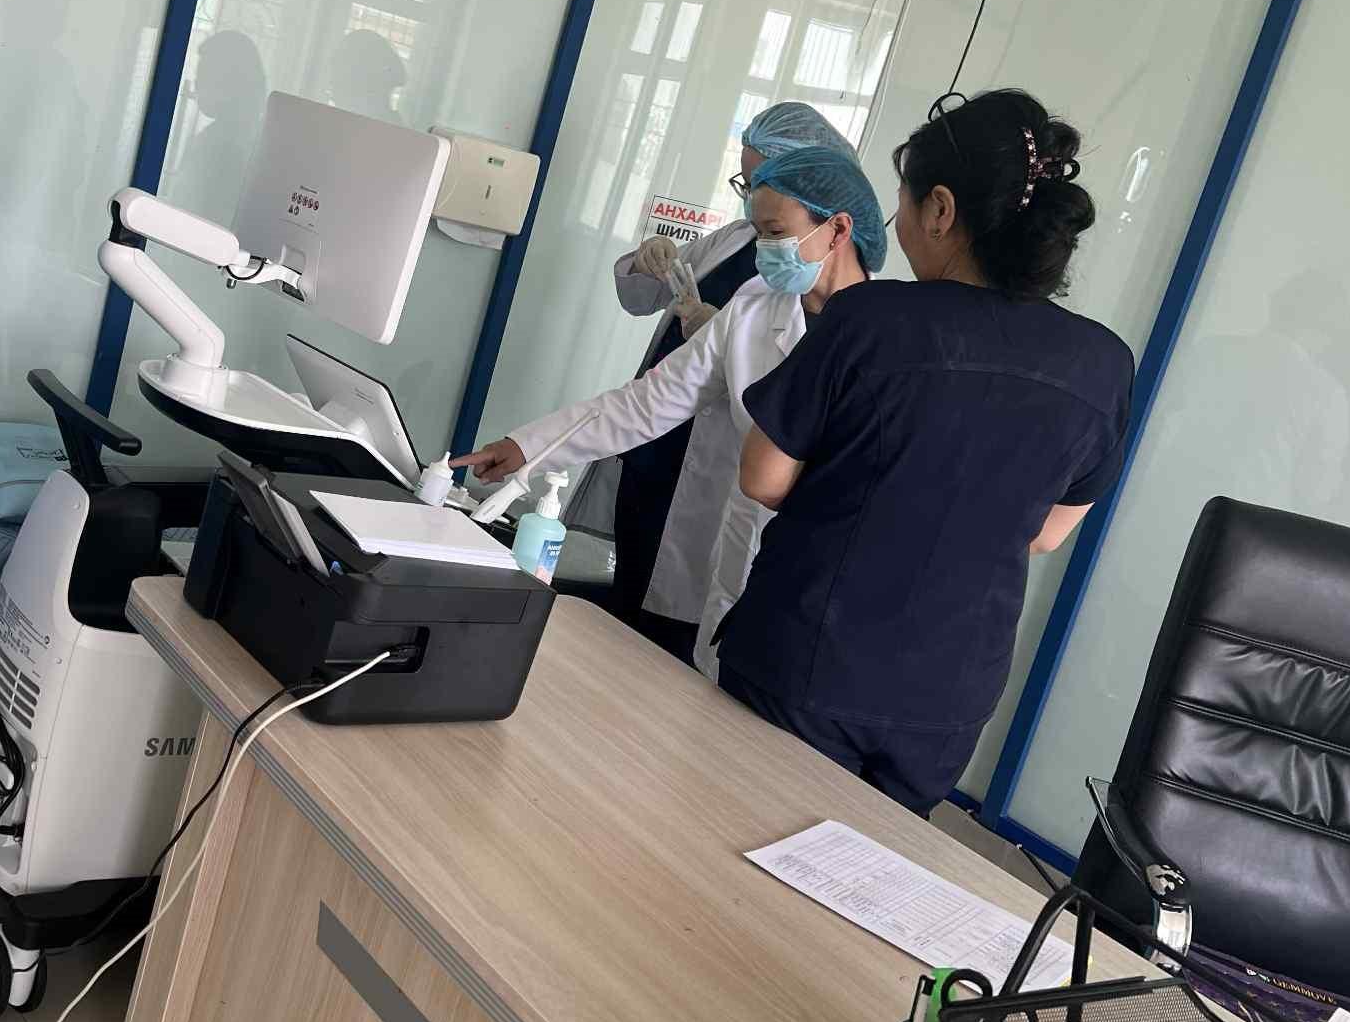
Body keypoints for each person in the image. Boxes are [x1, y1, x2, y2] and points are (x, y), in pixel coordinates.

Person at [721, 89, 1135, 816]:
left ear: (941, 209)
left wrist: (856, 489)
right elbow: (1045, 533)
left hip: (812, 659)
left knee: (733, 839)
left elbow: (763, 477)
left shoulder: (871, 319)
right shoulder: (1103, 363)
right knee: (868, 867)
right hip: (950, 694)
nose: (899, 223)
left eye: (904, 204)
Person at [454, 146, 886, 670]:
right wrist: (528, 447)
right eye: (759, 233)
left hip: (820, 576)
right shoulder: (753, 308)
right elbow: (646, 404)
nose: (764, 249)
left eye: (775, 232)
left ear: (837, 230)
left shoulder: (890, 336)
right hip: (738, 552)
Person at [596, 102, 861, 657]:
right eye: (747, 181)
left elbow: (794, 391)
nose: (752, 196)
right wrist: (647, 260)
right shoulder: (738, 238)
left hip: (720, 462)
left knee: (677, 624)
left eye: (762, 178)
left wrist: (724, 339)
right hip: (658, 440)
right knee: (630, 588)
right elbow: (642, 296)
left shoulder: (824, 285)